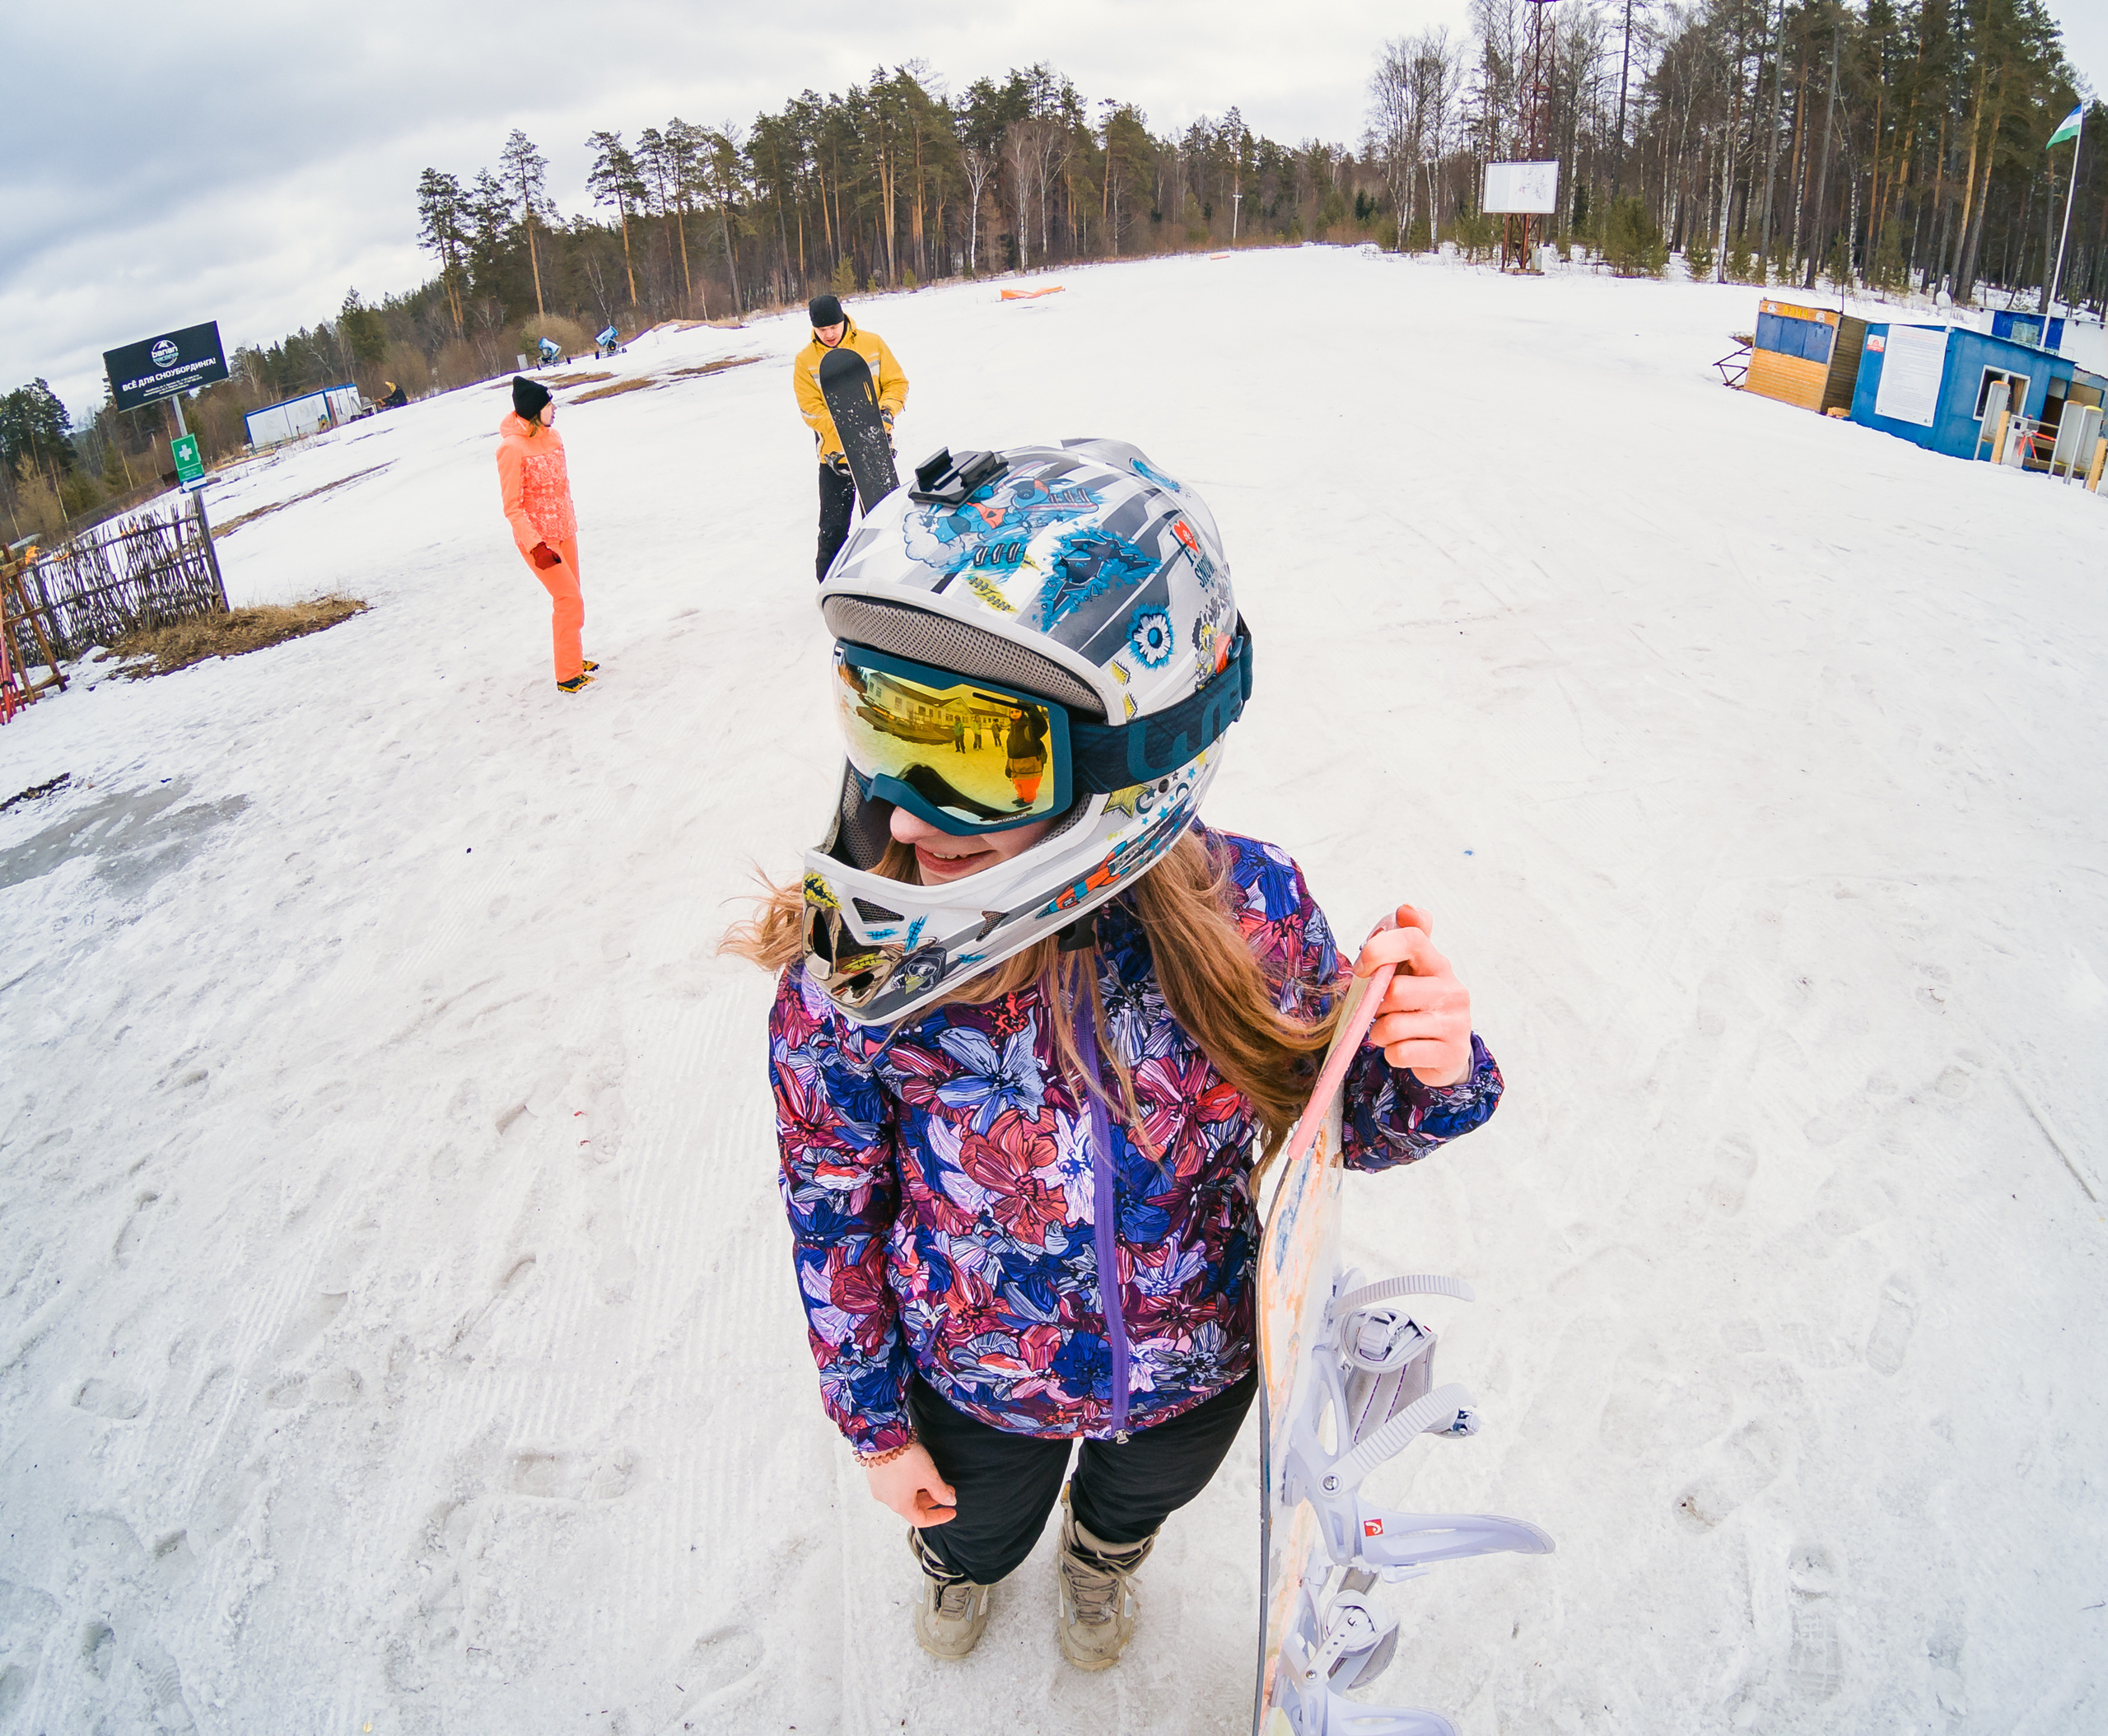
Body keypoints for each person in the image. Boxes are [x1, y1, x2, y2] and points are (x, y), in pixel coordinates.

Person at [722, 439, 1503, 1670]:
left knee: (1135, 1505)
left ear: (1136, 745)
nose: (911, 817)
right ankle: (969, 1565)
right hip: (978, 1379)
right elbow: (831, 1214)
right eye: (883, 727)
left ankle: (1103, 1556)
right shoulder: (852, 980)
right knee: (975, 1530)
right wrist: (876, 1427)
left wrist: (1425, 1066)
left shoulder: (1248, 907)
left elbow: (1331, 1135)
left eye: (974, 755)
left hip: (1191, 1369)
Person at [792, 292, 908, 581]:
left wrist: (885, 413)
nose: (830, 334)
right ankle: (829, 586)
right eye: (822, 330)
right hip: (835, 458)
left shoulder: (872, 344)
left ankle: (888, 580)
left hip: (875, 451)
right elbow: (810, 410)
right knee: (832, 529)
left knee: (881, 521)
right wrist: (845, 427)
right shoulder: (805, 361)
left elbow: (897, 383)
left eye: (834, 327)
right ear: (814, 329)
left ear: (844, 320)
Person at [495, 376, 597, 693]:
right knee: (567, 599)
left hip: (565, 530)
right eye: (548, 405)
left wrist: (568, 523)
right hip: (539, 542)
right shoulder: (510, 449)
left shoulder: (554, 438)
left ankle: (575, 657)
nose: (554, 409)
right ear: (533, 410)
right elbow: (512, 506)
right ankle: (567, 674)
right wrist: (536, 544)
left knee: (574, 598)